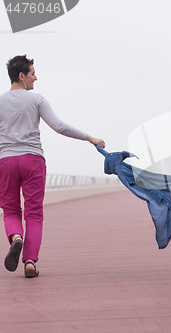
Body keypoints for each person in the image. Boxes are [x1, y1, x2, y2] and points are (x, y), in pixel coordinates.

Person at [0, 55, 104, 278]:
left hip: (6, 161)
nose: (35, 78)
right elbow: (58, 126)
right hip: (33, 161)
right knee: (34, 214)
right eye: (32, 73)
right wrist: (89, 138)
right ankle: (29, 262)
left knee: (10, 210)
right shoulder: (36, 99)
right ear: (21, 76)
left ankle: (16, 237)